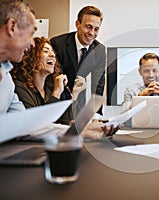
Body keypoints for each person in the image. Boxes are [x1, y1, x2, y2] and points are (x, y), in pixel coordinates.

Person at [0, 1, 115, 140]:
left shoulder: (7, 81)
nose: (32, 44)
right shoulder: (58, 44)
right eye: (31, 34)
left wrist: (82, 130)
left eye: (96, 29)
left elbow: (29, 127)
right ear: (12, 27)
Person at [11, 37, 86, 125]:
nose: (52, 55)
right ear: (32, 57)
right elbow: (37, 125)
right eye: (46, 51)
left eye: (53, 53)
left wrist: (75, 95)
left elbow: (65, 122)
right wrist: (56, 93)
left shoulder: (49, 88)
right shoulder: (19, 87)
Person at [50, 5, 106, 114]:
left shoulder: (99, 50)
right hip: (59, 99)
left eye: (96, 29)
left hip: (80, 100)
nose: (92, 33)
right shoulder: (58, 44)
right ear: (77, 24)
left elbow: (98, 86)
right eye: (88, 27)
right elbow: (58, 79)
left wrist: (97, 115)